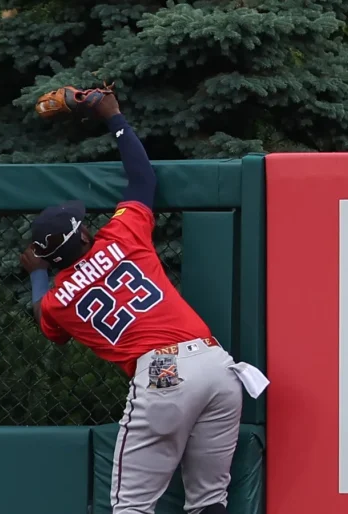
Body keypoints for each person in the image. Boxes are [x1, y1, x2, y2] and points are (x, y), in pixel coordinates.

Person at [20, 87, 268, 514]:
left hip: (163, 374)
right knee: (210, 499)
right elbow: (142, 179)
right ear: (84, 234)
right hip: (216, 365)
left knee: (131, 505)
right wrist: (113, 117)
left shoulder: (59, 301)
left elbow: (44, 317)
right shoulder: (122, 235)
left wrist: (37, 273)